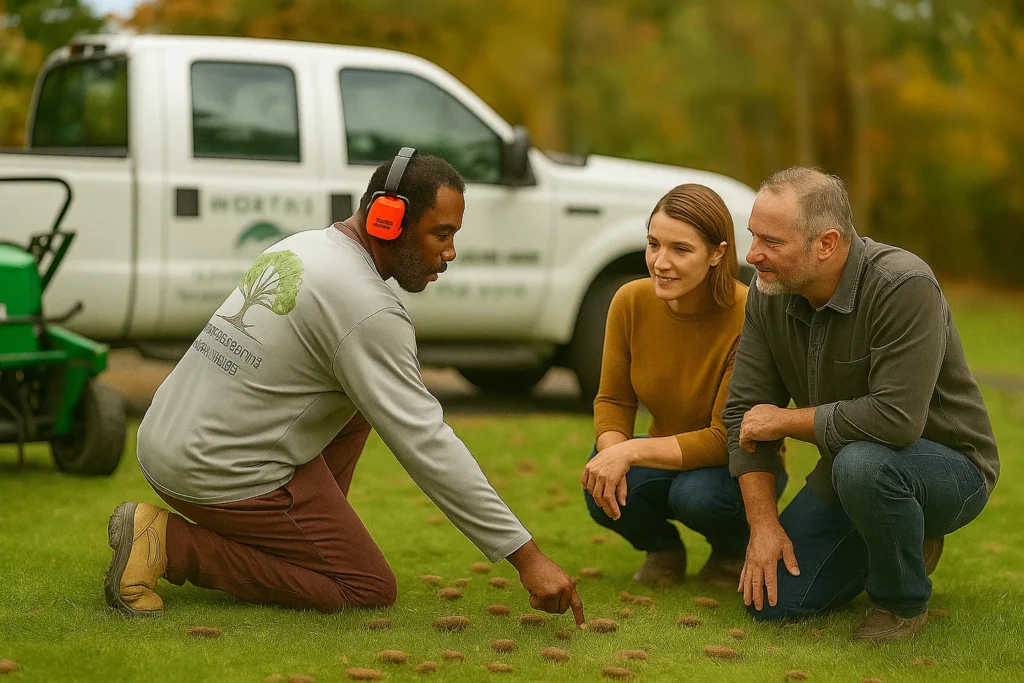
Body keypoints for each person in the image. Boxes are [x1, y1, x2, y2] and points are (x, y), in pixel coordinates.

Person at [104, 149, 585, 626]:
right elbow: (426, 441)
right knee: (365, 587)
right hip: (213, 470)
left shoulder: (304, 246)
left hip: (165, 440)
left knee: (359, 403)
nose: (450, 252)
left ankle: (303, 541)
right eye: (441, 234)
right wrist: (528, 558)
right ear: (386, 222)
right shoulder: (367, 309)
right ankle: (169, 544)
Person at [725, 167, 999, 641]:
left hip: (951, 469)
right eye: (753, 236)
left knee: (861, 463)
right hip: (851, 469)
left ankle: (900, 603)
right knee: (773, 603)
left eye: (771, 241)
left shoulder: (903, 285)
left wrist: (786, 421)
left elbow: (896, 421)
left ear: (826, 244)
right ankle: (900, 536)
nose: (752, 255)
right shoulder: (769, 294)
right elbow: (744, 415)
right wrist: (763, 526)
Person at [582, 184, 787, 588]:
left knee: (696, 496)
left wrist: (630, 451)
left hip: (739, 466)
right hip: (668, 454)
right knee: (597, 478)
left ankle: (733, 550)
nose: (660, 262)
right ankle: (663, 550)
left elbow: (723, 438)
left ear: (716, 254)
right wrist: (612, 456)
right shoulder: (629, 301)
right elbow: (613, 400)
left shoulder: (749, 315)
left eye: (680, 249)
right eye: (653, 244)